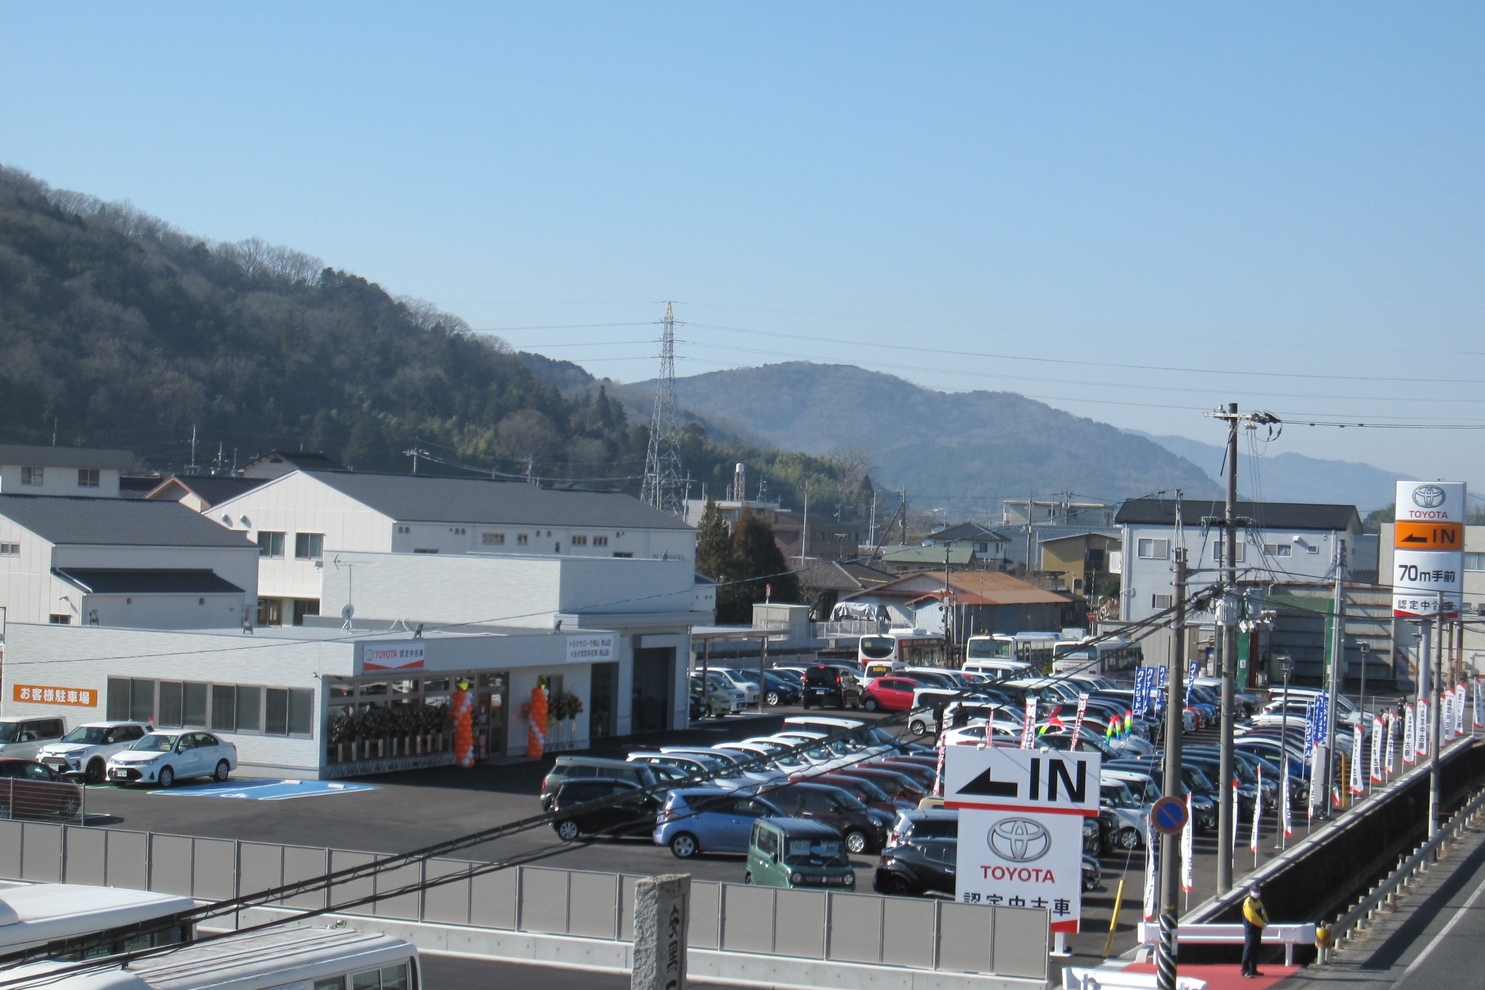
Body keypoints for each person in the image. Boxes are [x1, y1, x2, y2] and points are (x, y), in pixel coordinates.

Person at [1241, 885, 1270, 978]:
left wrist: (1266, 921)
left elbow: (1263, 912)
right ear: (1250, 891)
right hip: (1251, 929)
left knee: (1255, 949)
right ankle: (1245, 970)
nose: (1257, 892)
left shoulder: (1258, 902)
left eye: (1258, 890)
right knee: (1248, 949)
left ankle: (1253, 969)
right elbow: (1252, 917)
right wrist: (1262, 924)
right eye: (1255, 890)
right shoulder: (1248, 903)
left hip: (1257, 929)